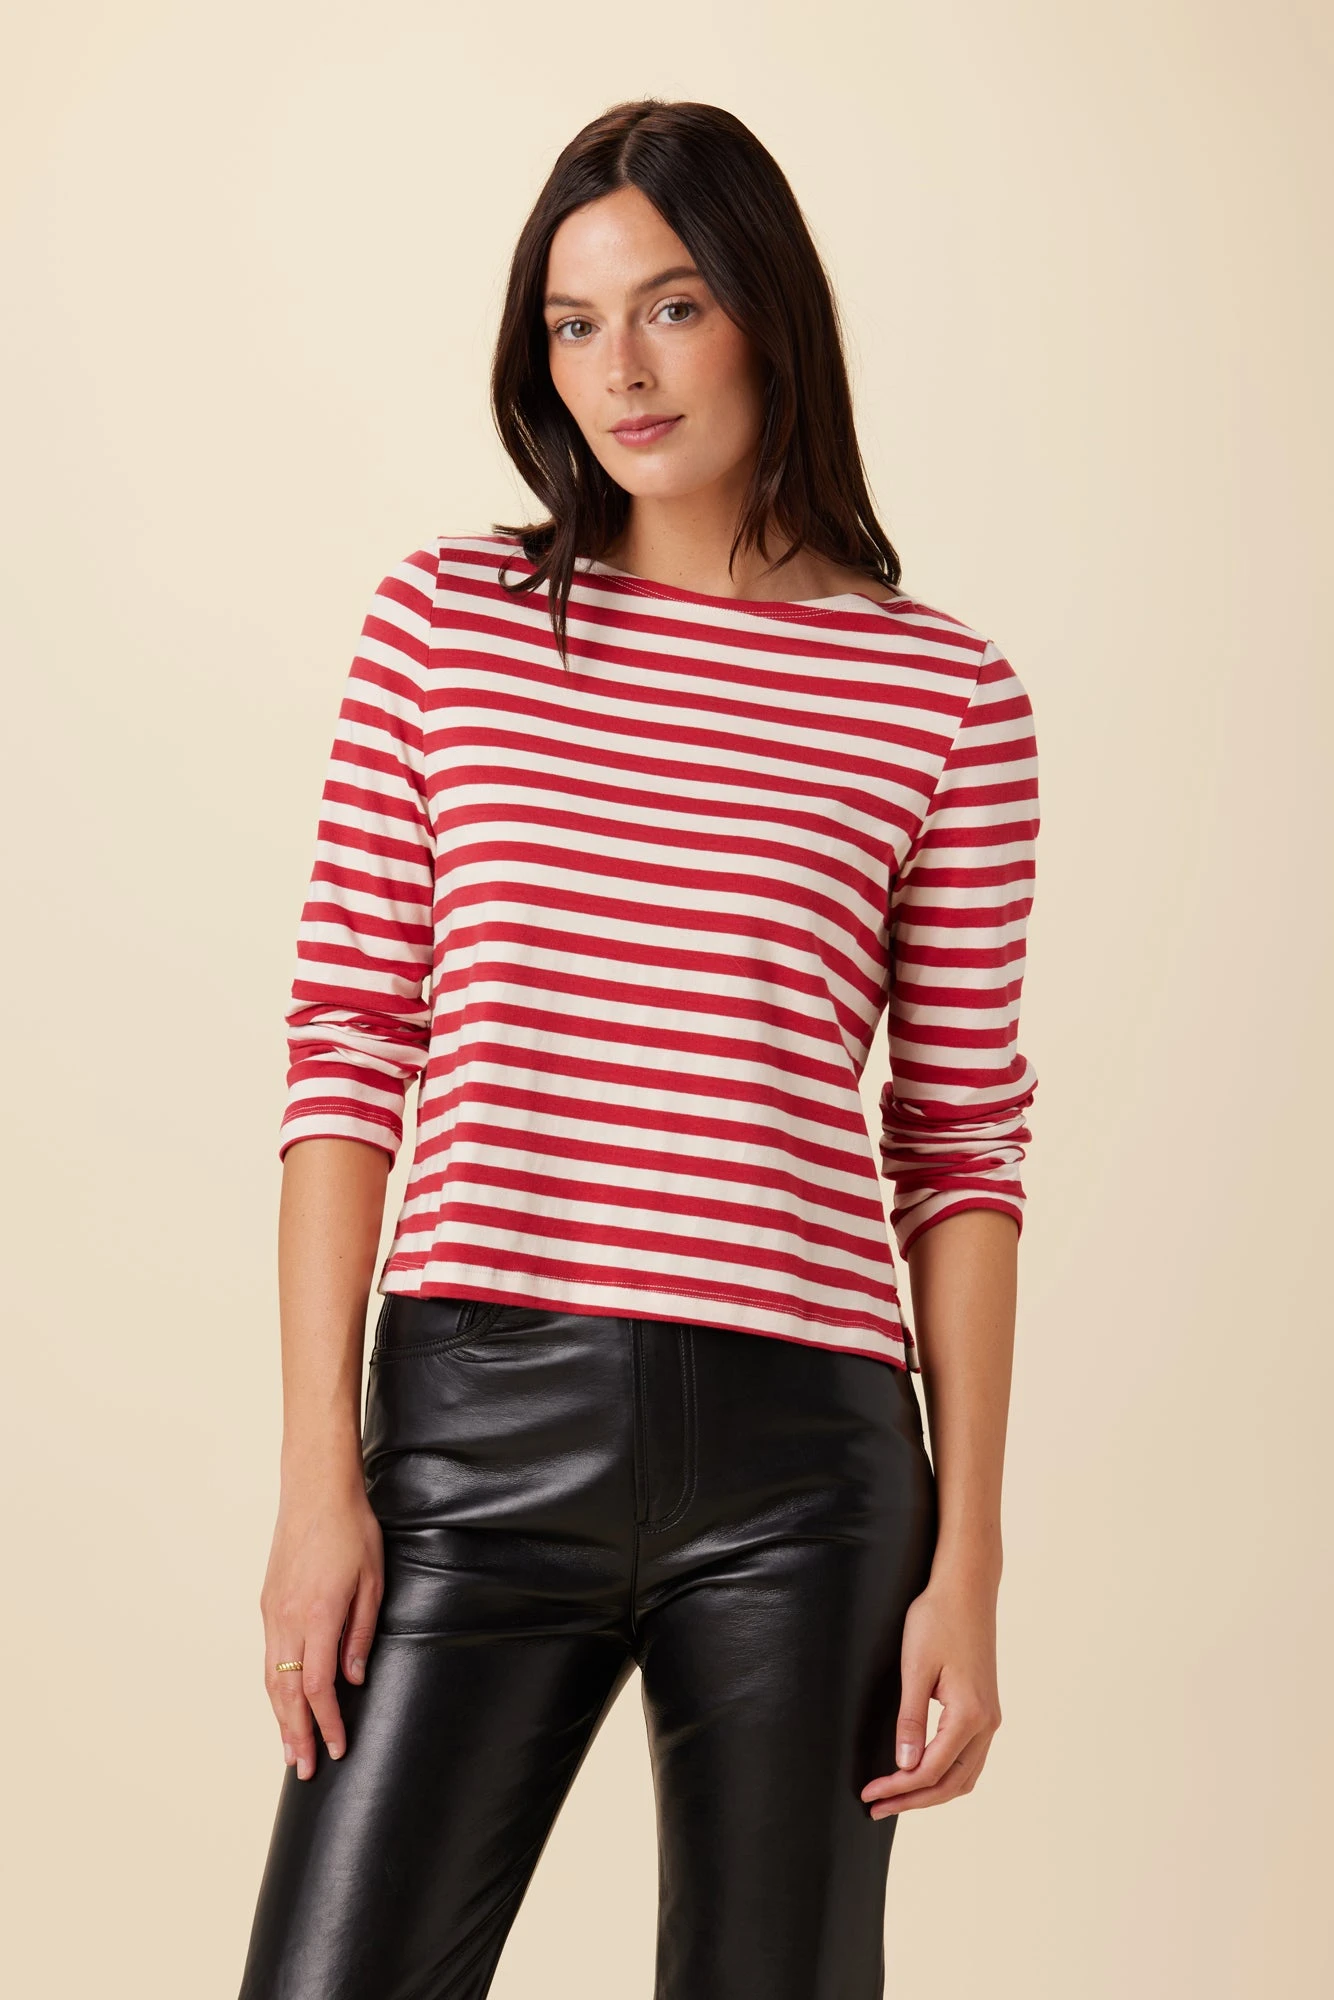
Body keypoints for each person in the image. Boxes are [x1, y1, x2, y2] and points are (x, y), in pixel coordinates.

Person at [236, 96, 1039, 2000]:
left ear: (767, 312)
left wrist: (970, 1563)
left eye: (671, 307)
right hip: (472, 1427)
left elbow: (959, 1146)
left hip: (805, 1470)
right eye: (573, 324)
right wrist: (317, 1475)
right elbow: (349, 1039)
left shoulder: (942, 693)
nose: (621, 371)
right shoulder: (446, 627)